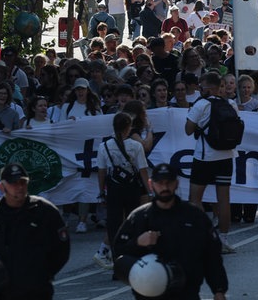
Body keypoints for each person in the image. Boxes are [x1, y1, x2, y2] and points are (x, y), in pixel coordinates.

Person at [113, 163, 228, 300]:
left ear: (177, 183)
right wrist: (137, 243)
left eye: (169, 182)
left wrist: (219, 290)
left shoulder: (194, 216)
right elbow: (119, 253)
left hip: (186, 292)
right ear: (151, 184)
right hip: (149, 293)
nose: (165, 187)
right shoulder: (139, 217)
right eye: (160, 183)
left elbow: (212, 255)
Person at [0, 163, 71, 299]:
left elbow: (61, 250)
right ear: (2, 187)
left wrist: (42, 275)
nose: (19, 187)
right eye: (13, 183)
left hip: (33, 292)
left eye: (23, 182)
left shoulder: (44, 211)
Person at [183, 71, 238, 253]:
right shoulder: (231, 104)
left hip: (205, 157)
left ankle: (204, 235)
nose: (200, 89)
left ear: (208, 87)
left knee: (194, 198)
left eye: (202, 86)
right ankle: (223, 239)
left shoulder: (202, 105)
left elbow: (188, 130)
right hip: (227, 156)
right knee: (224, 200)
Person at [94, 112, 151, 270]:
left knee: (114, 226)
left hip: (114, 188)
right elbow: (143, 170)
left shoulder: (104, 146)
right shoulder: (136, 146)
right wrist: (150, 191)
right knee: (133, 223)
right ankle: (132, 259)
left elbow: (101, 172)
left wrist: (101, 192)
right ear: (128, 127)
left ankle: (116, 262)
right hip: (131, 187)